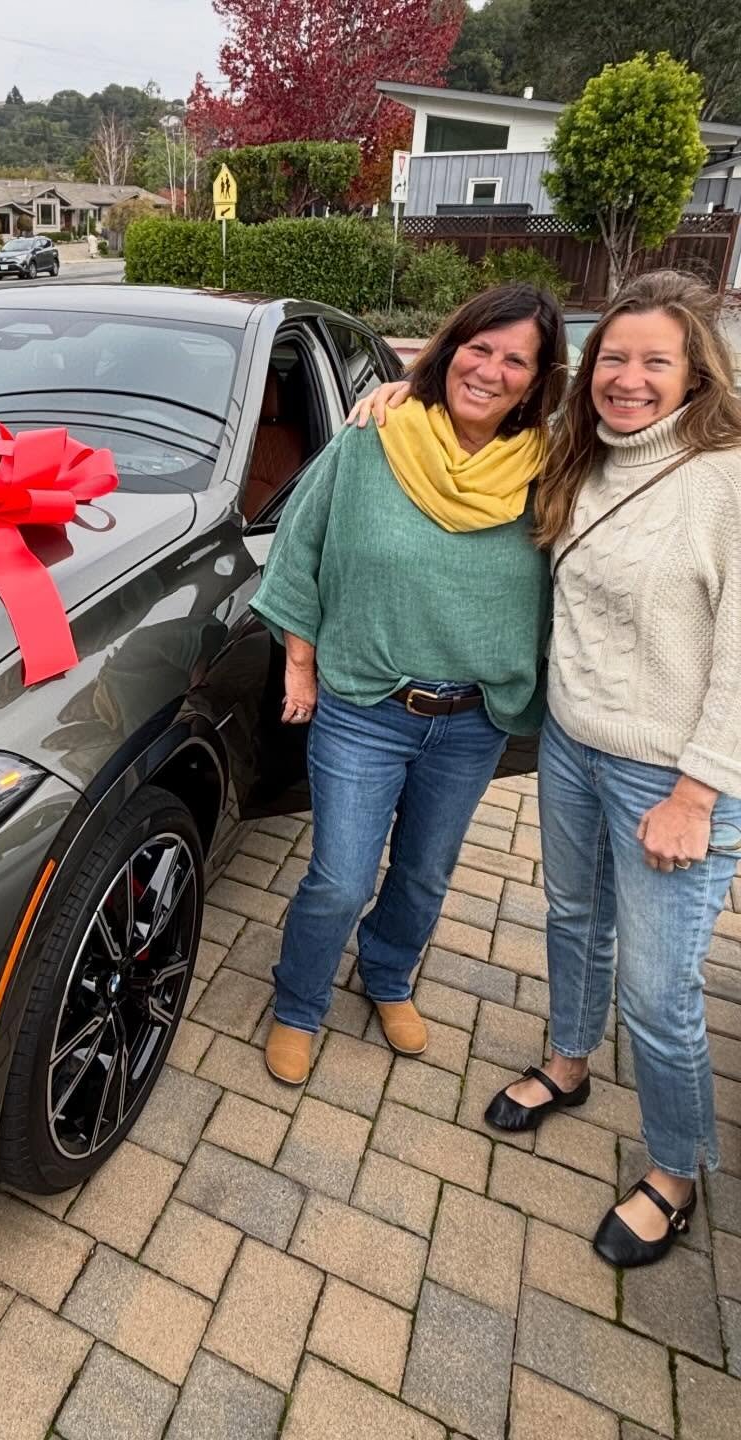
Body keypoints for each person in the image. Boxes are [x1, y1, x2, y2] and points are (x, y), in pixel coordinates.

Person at [352, 270, 741, 1268]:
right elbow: (468, 429)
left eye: (657, 361)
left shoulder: (728, 479)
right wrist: (403, 390)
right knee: (573, 921)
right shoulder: (580, 456)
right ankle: (568, 1064)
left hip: (674, 780)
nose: (631, 379)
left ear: (698, 369)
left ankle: (674, 1172)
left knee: (659, 994)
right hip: (572, 746)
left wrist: (698, 790)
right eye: (615, 357)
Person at [252, 284, 567, 1085]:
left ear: (537, 381)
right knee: (340, 876)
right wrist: (300, 660)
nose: (491, 370)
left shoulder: (552, 470)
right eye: (480, 347)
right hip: (364, 707)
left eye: (515, 359)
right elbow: (301, 541)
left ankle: (388, 976)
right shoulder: (377, 434)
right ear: (449, 347)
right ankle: (298, 1002)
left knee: (426, 871)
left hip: (471, 721)